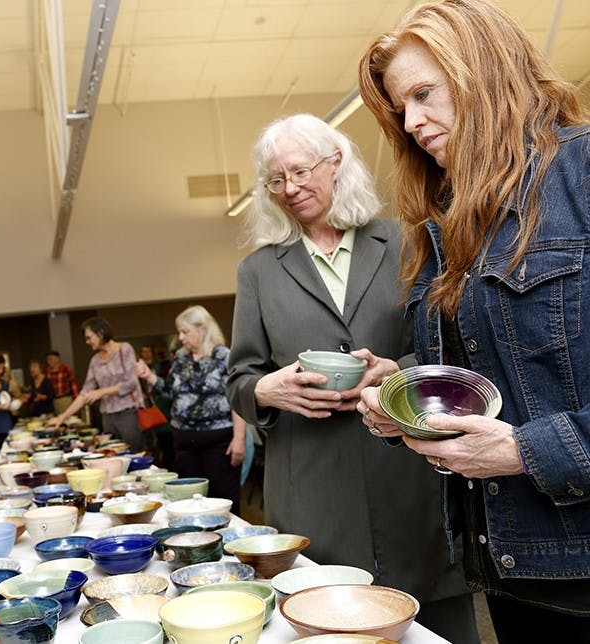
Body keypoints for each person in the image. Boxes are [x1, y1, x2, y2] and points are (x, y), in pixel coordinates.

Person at [357, 0, 590, 638]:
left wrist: (526, 450)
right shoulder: (449, 220)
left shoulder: (581, 174)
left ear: (484, 72)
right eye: (401, 107)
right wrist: (400, 387)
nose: (411, 123)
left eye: (424, 94)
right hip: (505, 564)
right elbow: (498, 366)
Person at [225, 113, 477, 642]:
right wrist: (266, 390)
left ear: (335, 162)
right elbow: (241, 379)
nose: (289, 189)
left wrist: (398, 373)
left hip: (409, 479)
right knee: (326, 623)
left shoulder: (410, 242)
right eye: (276, 180)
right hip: (312, 491)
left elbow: (452, 348)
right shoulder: (259, 271)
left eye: (299, 171)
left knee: (439, 624)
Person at [136, 305, 246, 514]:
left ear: (203, 329)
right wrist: (149, 376)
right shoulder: (180, 357)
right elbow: (170, 392)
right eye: (180, 332)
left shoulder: (224, 356)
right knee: (188, 505)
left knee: (222, 503)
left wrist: (239, 439)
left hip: (218, 444)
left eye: (185, 332)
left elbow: (237, 398)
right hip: (184, 445)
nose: (181, 337)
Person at [48, 317, 144, 451]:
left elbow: (131, 383)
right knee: (111, 454)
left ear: (100, 333)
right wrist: (63, 417)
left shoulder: (125, 349)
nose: (87, 342)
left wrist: (101, 392)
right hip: (107, 417)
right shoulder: (95, 360)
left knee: (133, 453)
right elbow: (85, 392)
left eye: (89, 337)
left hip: (127, 414)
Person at [44, 350, 79, 417]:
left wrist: (77, 400)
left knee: (67, 418)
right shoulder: (46, 371)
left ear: (57, 359)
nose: (49, 361)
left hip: (64, 399)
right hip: (52, 400)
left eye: (50, 359)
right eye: (47, 360)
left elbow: (73, 385)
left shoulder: (66, 369)